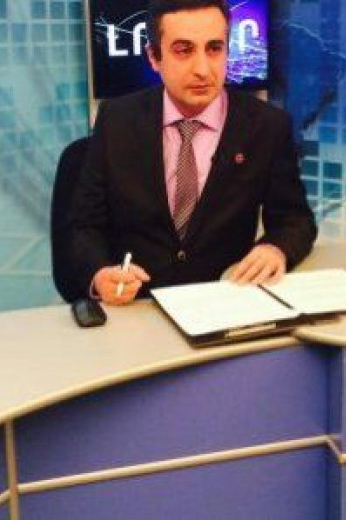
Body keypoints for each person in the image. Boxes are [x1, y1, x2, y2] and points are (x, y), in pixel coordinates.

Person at [69, 0, 317, 305]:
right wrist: (99, 273)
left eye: (214, 48)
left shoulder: (267, 126)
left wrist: (276, 248)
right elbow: (84, 226)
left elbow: (295, 220)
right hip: (139, 305)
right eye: (184, 50)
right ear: (154, 57)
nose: (202, 70)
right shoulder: (116, 120)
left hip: (226, 302)